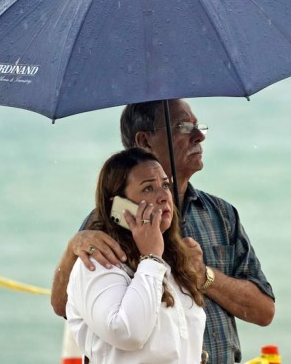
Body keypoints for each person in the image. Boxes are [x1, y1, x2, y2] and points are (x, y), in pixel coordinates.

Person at [52, 99, 275, 363]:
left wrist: (204, 276)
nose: (199, 135)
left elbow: (264, 311)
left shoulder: (221, 214)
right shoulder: (105, 225)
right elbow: (64, 305)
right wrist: (71, 250)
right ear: (145, 140)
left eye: (164, 186)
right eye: (184, 126)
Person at [66, 147, 206, 363]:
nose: (163, 196)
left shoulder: (172, 261)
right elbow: (127, 333)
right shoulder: (100, 261)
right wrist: (151, 257)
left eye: (165, 185)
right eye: (148, 188)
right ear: (119, 205)